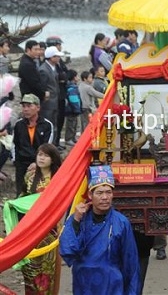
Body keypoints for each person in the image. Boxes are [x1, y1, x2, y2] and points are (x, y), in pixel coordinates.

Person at [59, 165, 140, 294]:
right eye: (100, 193)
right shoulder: (80, 219)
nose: (105, 197)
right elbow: (68, 251)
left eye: (108, 192)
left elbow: (130, 263)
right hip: (84, 283)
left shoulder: (121, 222)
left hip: (111, 283)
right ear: (90, 195)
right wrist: (76, 220)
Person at [3, 143, 62, 295]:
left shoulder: (58, 179)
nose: (41, 158)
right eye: (39, 155)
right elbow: (23, 197)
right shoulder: (30, 176)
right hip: (29, 228)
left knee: (47, 270)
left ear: (53, 159)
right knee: (29, 269)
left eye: (46, 155)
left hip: (49, 230)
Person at [12, 94, 53, 197]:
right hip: (22, 163)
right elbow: (15, 144)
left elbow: (47, 147)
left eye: (29, 106)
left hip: (40, 164)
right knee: (21, 192)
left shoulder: (47, 125)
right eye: (24, 106)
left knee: (37, 192)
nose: (26, 109)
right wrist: (16, 161)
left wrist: (37, 162)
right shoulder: (19, 125)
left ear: (38, 107)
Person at [64, 70, 81, 146]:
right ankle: (69, 138)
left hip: (74, 109)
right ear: (74, 77)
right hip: (72, 109)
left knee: (74, 124)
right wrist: (76, 108)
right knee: (71, 124)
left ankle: (73, 137)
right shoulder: (72, 88)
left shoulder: (73, 86)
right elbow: (73, 99)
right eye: (77, 76)